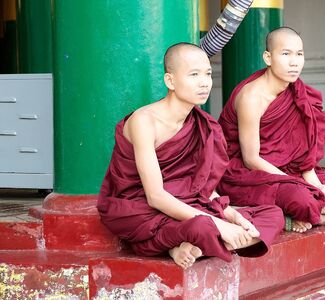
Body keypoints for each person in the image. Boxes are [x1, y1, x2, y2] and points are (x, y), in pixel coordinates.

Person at [97, 43, 284, 269]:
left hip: (190, 205)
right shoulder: (144, 121)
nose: (204, 82)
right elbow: (155, 196)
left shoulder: (203, 125)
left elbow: (204, 187)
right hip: (145, 209)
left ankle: (186, 246)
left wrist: (233, 217)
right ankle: (190, 241)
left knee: (272, 214)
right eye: (194, 75)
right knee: (202, 228)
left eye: (208, 74)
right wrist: (219, 225)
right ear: (170, 81)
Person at [217, 27, 325, 233]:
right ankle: (307, 212)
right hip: (248, 175)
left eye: (299, 54)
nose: (294, 62)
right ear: (268, 57)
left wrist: (315, 184)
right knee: (303, 199)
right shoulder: (252, 98)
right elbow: (251, 159)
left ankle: (311, 215)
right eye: (286, 54)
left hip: (289, 171)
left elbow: (302, 156)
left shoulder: (297, 91)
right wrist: (302, 186)